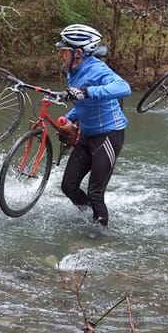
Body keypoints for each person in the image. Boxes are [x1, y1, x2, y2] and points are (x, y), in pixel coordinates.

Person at [55, 24, 131, 227]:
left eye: (63, 51)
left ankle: (100, 239)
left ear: (78, 52)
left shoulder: (96, 68)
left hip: (108, 134)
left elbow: (124, 87)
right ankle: (91, 216)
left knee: (95, 192)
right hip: (87, 135)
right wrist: (69, 117)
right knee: (68, 186)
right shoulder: (73, 69)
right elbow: (80, 100)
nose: (60, 55)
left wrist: (88, 92)